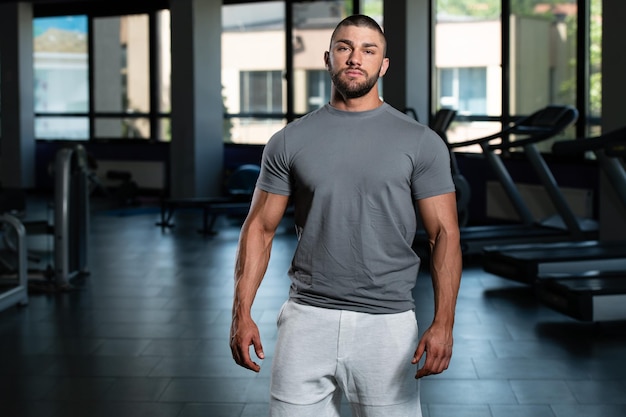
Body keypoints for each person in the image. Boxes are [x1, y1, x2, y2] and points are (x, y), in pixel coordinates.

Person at [230, 14, 462, 417]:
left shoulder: (421, 142)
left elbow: (444, 235)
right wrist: (241, 312)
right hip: (306, 319)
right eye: (345, 47)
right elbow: (260, 229)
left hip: (387, 325)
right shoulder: (289, 140)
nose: (356, 58)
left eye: (368, 50)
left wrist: (444, 323)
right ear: (328, 57)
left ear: (383, 64)